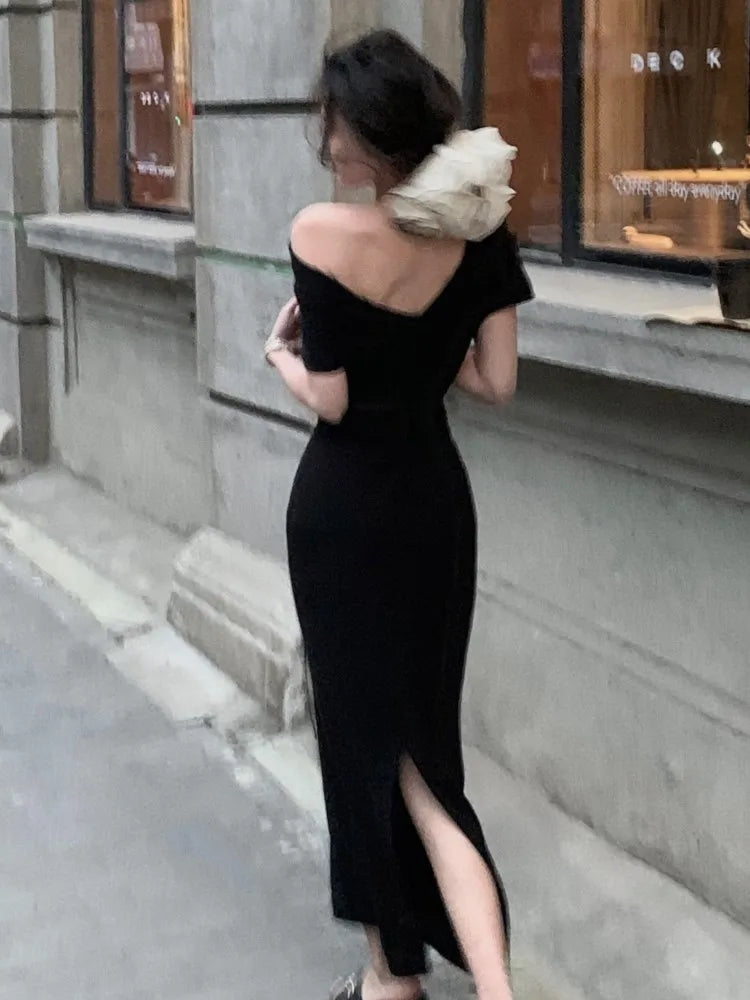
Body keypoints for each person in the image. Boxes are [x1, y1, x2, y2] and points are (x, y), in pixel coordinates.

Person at [266, 29, 533, 1000]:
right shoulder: (482, 236)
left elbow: (333, 400)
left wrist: (279, 356)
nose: (326, 141)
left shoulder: (319, 233)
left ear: (371, 132)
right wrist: (427, 351)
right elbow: (496, 382)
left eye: (335, 123)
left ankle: (414, 982)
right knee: (425, 753)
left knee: (368, 753)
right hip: (434, 510)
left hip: (344, 516)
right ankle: (420, 980)